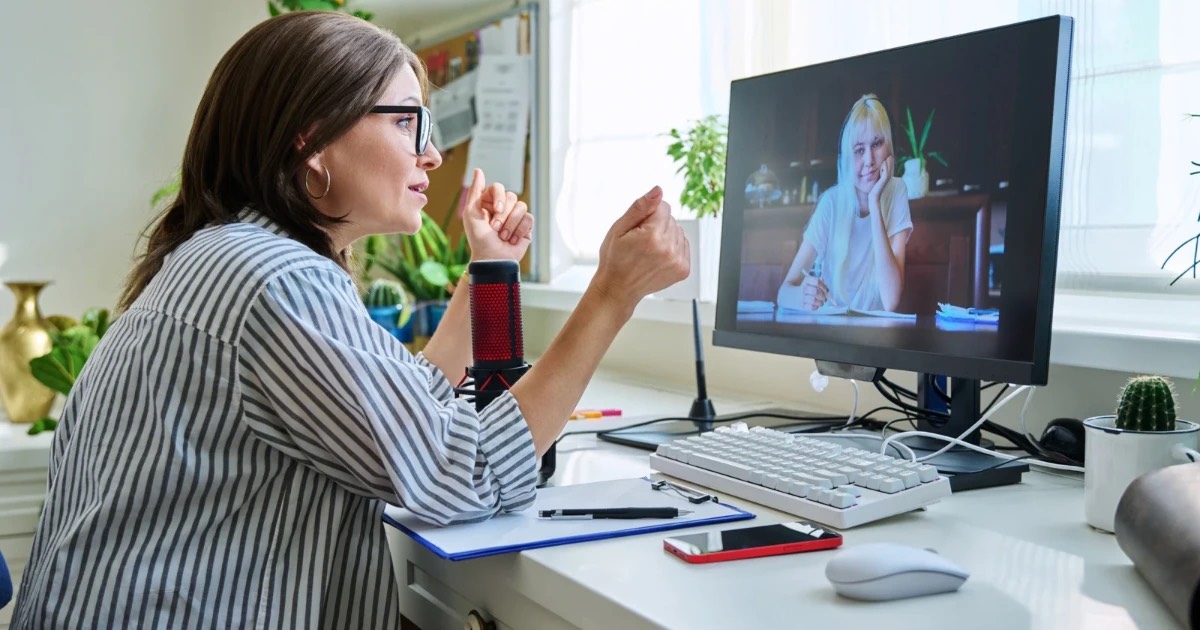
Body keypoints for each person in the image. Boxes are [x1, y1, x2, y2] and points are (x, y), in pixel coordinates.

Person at [11, 12, 688, 630]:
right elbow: (466, 470)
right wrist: (611, 296)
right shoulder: (274, 280)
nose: (433, 154)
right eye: (404, 122)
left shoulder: (226, 255)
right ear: (311, 140)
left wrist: (489, 271)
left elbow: (398, 413)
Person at [777, 94, 913, 313]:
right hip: (832, 331)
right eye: (859, 150)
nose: (869, 160)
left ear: (888, 148)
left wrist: (874, 202)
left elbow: (891, 300)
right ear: (848, 157)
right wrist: (802, 296)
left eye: (877, 144)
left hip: (876, 338)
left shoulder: (897, 190)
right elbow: (783, 293)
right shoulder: (831, 203)